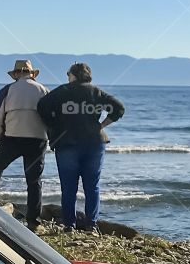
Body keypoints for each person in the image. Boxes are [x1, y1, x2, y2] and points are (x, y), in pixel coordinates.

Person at [37, 62, 125, 232]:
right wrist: (101, 125)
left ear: (73, 75)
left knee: (68, 186)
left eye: (68, 73)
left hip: (67, 142)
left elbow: (42, 107)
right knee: (92, 186)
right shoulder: (96, 91)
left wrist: (54, 125)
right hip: (94, 142)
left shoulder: (63, 90)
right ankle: (91, 225)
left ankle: (69, 225)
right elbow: (119, 108)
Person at [0, 60, 49, 230]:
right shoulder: (43, 90)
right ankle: (34, 221)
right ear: (32, 74)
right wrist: (48, 138)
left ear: (17, 74)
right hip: (37, 139)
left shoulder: (8, 90)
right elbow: (51, 116)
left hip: (13, 137)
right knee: (34, 181)